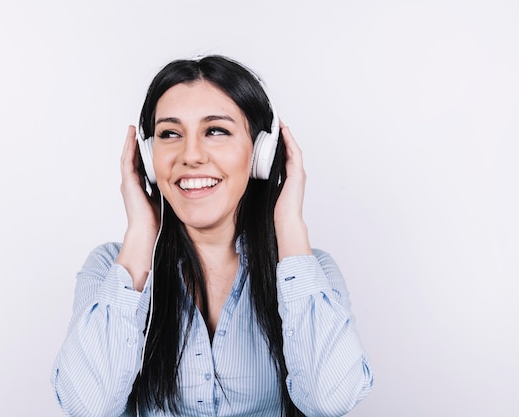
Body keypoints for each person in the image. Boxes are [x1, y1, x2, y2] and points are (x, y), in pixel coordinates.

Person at [51, 55, 373, 417]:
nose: (191, 155)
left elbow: (329, 400)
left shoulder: (310, 274)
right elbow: (87, 406)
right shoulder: (113, 269)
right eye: (170, 134)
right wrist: (141, 232)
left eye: (216, 131)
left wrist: (289, 227)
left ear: (260, 154)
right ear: (147, 156)